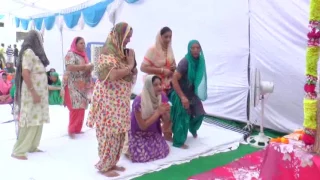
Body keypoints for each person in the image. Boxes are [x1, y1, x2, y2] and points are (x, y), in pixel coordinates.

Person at [86, 22, 137, 177]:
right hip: (107, 101)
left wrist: (132, 64)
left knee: (120, 132)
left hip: (119, 101)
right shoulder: (107, 53)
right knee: (109, 133)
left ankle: (112, 163)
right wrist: (129, 66)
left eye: (130, 37)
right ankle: (104, 166)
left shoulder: (122, 53)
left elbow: (131, 73)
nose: (128, 40)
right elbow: (113, 75)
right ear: (119, 36)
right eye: (127, 37)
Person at [11, 30, 50, 160]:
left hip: (39, 94)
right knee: (30, 120)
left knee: (38, 119)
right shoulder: (28, 52)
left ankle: (32, 146)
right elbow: (25, 73)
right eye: (40, 39)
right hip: (31, 93)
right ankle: (19, 150)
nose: (42, 42)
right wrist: (34, 92)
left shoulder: (36, 54)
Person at [170, 40, 207, 149]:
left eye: (197, 48)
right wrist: (182, 97)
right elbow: (174, 79)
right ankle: (178, 141)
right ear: (189, 49)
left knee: (200, 114)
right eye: (193, 48)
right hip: (180, 93)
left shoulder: (200, 61)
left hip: (191, 94)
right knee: (182, 117)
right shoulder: (185, 62)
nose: (195, 50)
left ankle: (192, 127)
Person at [140, 27, 176, 141]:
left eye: (170, 37)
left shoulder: (169, 50)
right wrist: (161, 70)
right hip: (154, 86)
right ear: (160, 37)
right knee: (154, 111)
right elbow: (143, 67)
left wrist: (173, 68)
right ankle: (153, 134)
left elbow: (173, 64)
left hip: (167, 85)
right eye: (166, 37)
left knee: (168, 110)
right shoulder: (153, 50)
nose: (168, 39)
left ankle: (166, 133)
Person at [126, 75, 170, 163]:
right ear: (148, 86)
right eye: (155, 85)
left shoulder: (162, 97)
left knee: (162, 152)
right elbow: (143, 126)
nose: (159, 87)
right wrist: (158, 112)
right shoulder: (138, 102)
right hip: (138, 133)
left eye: (160, 84)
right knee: (141, 156)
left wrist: (164, 113)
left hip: (153, 132)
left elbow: (166, 120)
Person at [61, 37, 93, 139]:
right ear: (75, 44)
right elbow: (69, 67)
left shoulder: (83, 56)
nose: (83, 45)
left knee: (82, 107)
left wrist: (90, 68)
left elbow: (85, 69)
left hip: (82, 86)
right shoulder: (70, 54)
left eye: (84, 43)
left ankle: (77, 129)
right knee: (75, 107)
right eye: (80, 43)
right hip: (72, 85)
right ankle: (71, 130)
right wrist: (84, 67)